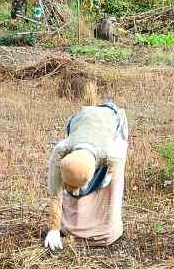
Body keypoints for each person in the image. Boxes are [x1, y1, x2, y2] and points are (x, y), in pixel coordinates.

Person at [44, 83, 128, 250]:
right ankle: (75, 224)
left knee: (106, 189)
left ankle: (104, 229)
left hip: (111, 125)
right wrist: (54, 228)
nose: (75, 191)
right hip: (82, 123)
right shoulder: (61, 150)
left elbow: (114, 169)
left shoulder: (111, 152)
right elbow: (55, 192)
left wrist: (106, 179)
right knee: (77, 194)